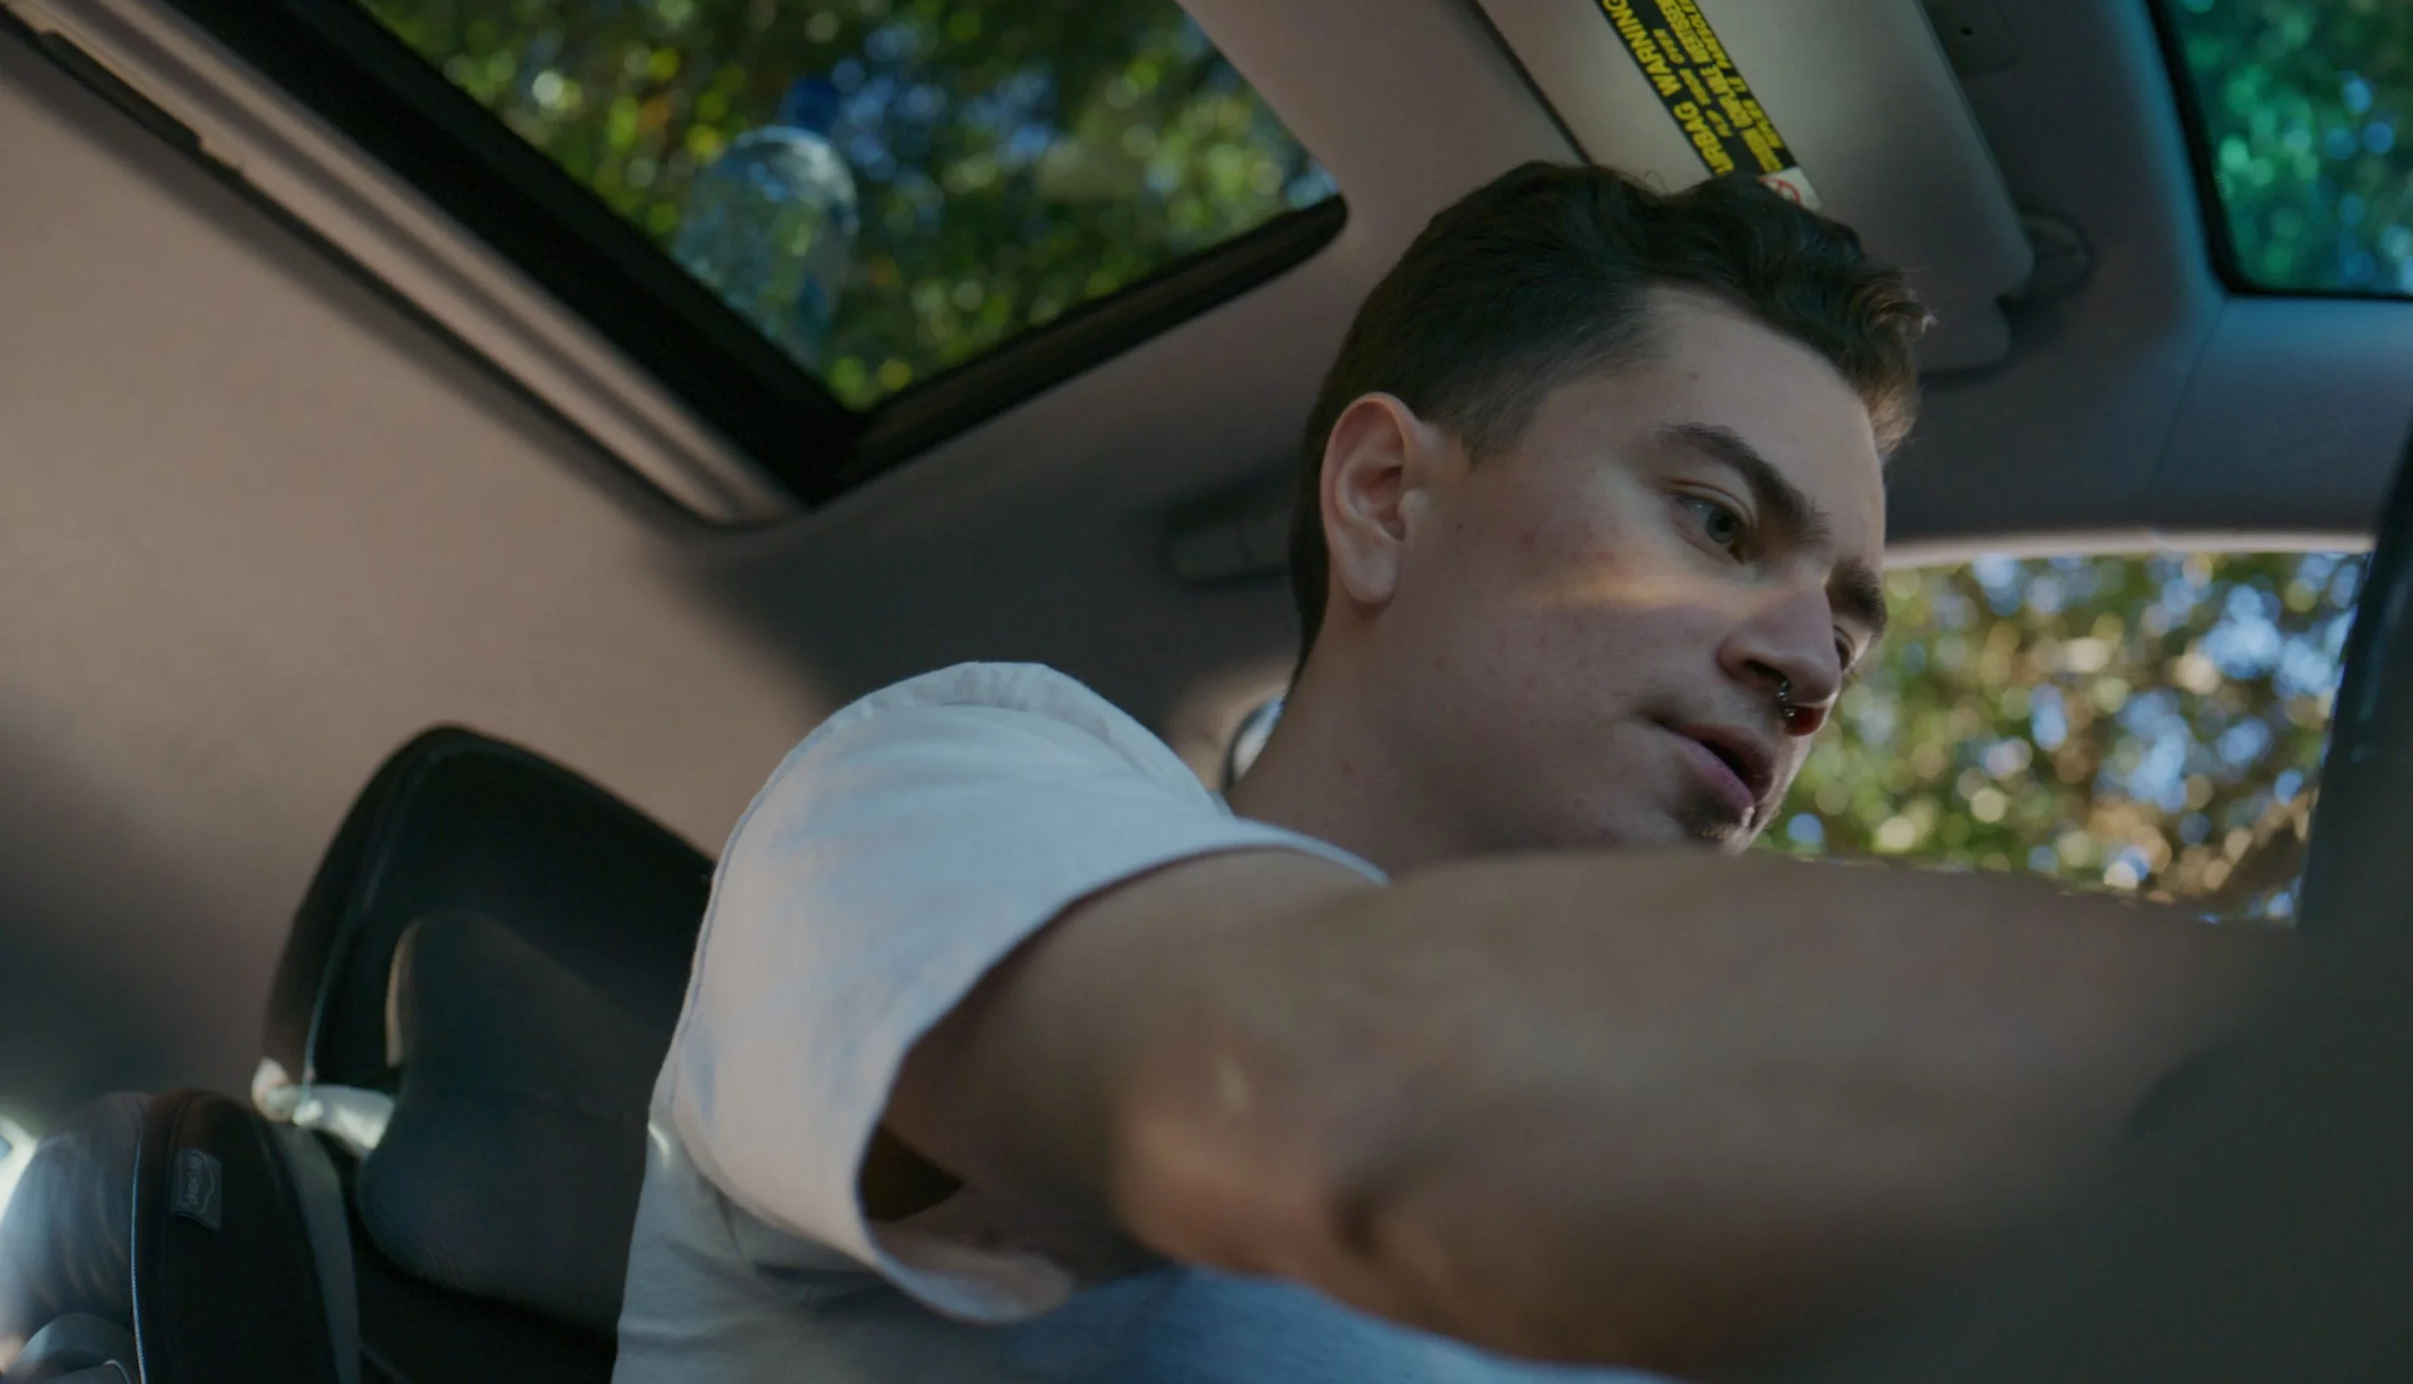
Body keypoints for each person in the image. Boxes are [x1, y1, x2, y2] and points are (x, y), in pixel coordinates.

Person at [610, 162, 2294, 1383]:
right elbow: (1342, 1085)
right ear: (1385, 501)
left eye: (1848, 635)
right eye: (1716, 521)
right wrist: (2356, 1039)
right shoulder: (943, 788)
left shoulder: (1670, 1217)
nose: (1804, 667)